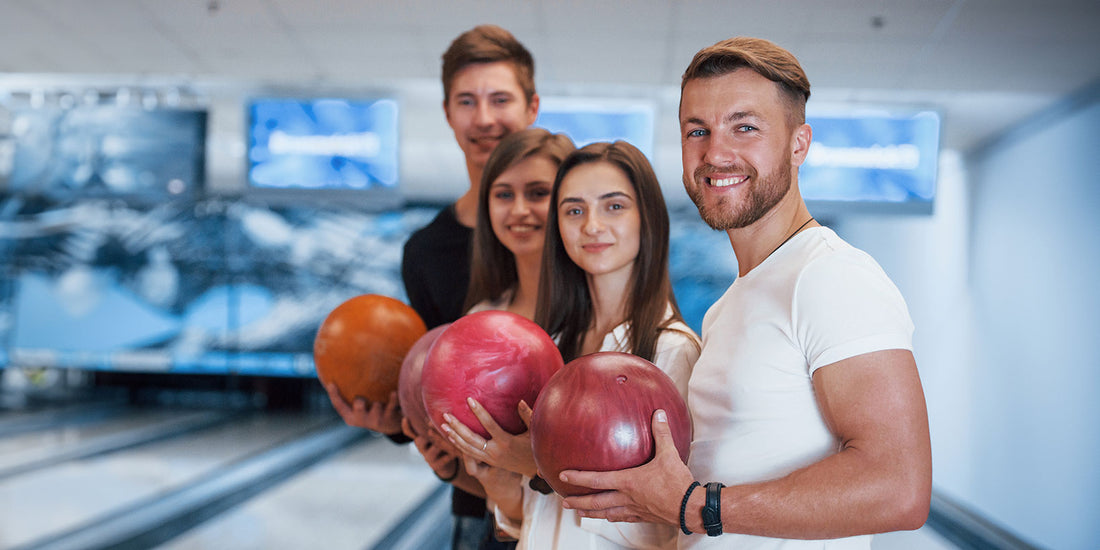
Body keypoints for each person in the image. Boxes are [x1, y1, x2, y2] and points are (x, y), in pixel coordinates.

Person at [555, 37, 932, 549]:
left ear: (799, 144)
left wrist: (695, 506)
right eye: (697, 131)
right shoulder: (727, 308)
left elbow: (898, 487)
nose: (716, 153)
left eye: (745, 127)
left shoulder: (832, 275)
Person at [323, 24, 540, 550]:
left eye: (500, 99)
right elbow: (423, 383)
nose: (484, 118)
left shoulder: (572, 230)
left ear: (532, 107)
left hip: (574, 505)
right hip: (478, 506)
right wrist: (393, 419)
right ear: (447, 113)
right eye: (467, 101)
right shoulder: (428, 250)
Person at [442, 141, 701, 549]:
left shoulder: (673, 351)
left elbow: (676, 524)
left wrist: (541, 467)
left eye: (614, 206)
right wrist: (502, 485)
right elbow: (532, 518)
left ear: (648, 218)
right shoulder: (554, 346)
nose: (592, 226)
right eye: (574, 210)